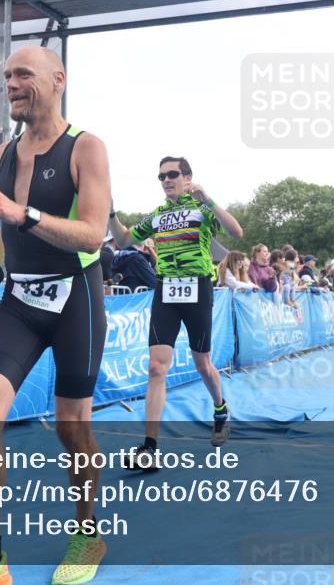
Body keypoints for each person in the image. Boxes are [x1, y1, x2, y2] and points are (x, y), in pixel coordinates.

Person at [0, 46, 110, 585]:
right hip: (20, 302)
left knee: (71, 427)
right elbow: (6, 233)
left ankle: (88, 536)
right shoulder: (0, 154)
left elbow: (93, 233)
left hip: (76, 297)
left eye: (22, 74)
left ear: (57, 80)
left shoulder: (87, 148)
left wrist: (20, 213)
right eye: (7, 75)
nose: (11, 83)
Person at [109, 156, 244, 466]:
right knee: (157, 367)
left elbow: (236, 233)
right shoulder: (157, 215)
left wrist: (208, 199)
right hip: (166, 291)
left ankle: (220, 408)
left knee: (203, 365)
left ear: (187, 177)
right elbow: (124, 239)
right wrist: (111, 213)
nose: (166, 180)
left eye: (172, 174)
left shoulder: (202, 209)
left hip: (198, 289)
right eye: (161, 176)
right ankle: (149, 448)